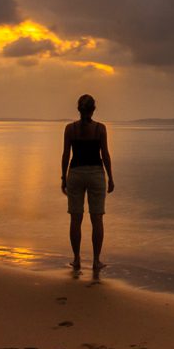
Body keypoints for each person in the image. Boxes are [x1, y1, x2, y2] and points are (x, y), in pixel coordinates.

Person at [61, 94, 114, 272]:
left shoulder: (70, 129)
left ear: (78, 109)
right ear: (93, 110)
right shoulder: (100, 129)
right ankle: (96, 261)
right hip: (96, 174)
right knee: (96, 218)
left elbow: (66, 155)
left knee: (76, 219)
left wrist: (63, 177)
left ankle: (76, 260)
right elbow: (105, 155)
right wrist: (111, 177)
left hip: (75, 173)